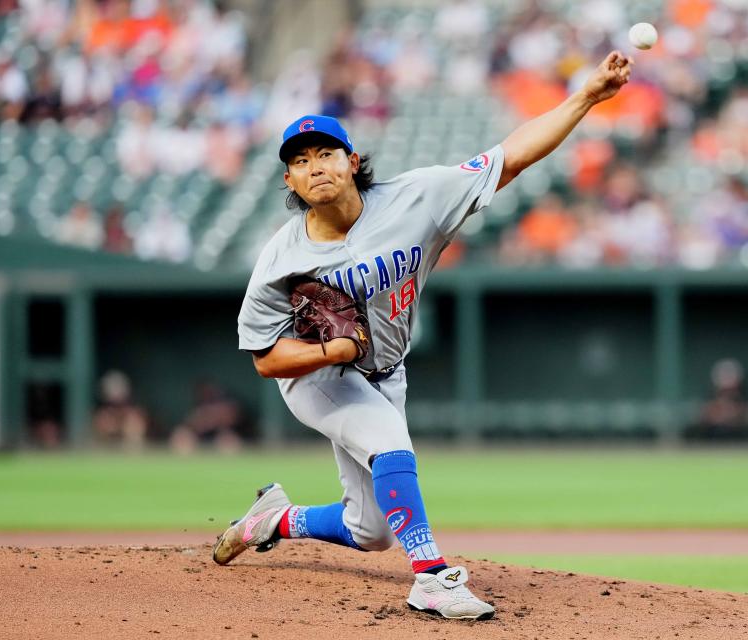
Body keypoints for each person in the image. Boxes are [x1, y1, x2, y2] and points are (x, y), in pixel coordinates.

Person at [213, 51, 634, 621]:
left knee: (371, 531)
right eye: (301, 160)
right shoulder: (279, 261)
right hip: (318, 375)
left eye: (326, 153)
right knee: (391, 445)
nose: (316, 166)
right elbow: (265, 360)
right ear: (288, 178)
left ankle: (274, 519)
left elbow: (511, 158)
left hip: (386, 370)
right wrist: (334, 348)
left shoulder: (417, 198)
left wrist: (585, 97)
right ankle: (432, 578)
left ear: (351, 159)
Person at [683, 359, 748, 443]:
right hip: (712, 435)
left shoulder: (744, 395)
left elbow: (747, 416)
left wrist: (732, 414)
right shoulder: (710, 395)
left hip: (738, 436)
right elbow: (704, 416)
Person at [169, 380, 243, 454]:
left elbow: (230, 418)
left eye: (209, 391)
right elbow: (191, 424)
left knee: (227, 440)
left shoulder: (225, 403)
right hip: (200, 438)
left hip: (219, 437)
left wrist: (212, 418)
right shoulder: (198, 408)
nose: (206, 394)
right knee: (181, 435)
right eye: (203, 392)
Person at [91, 370, 148, 449]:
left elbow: (136, 446)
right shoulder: (102, 418)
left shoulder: (134, 417)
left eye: (120, 404)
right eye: (112, 404)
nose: (115, 408)